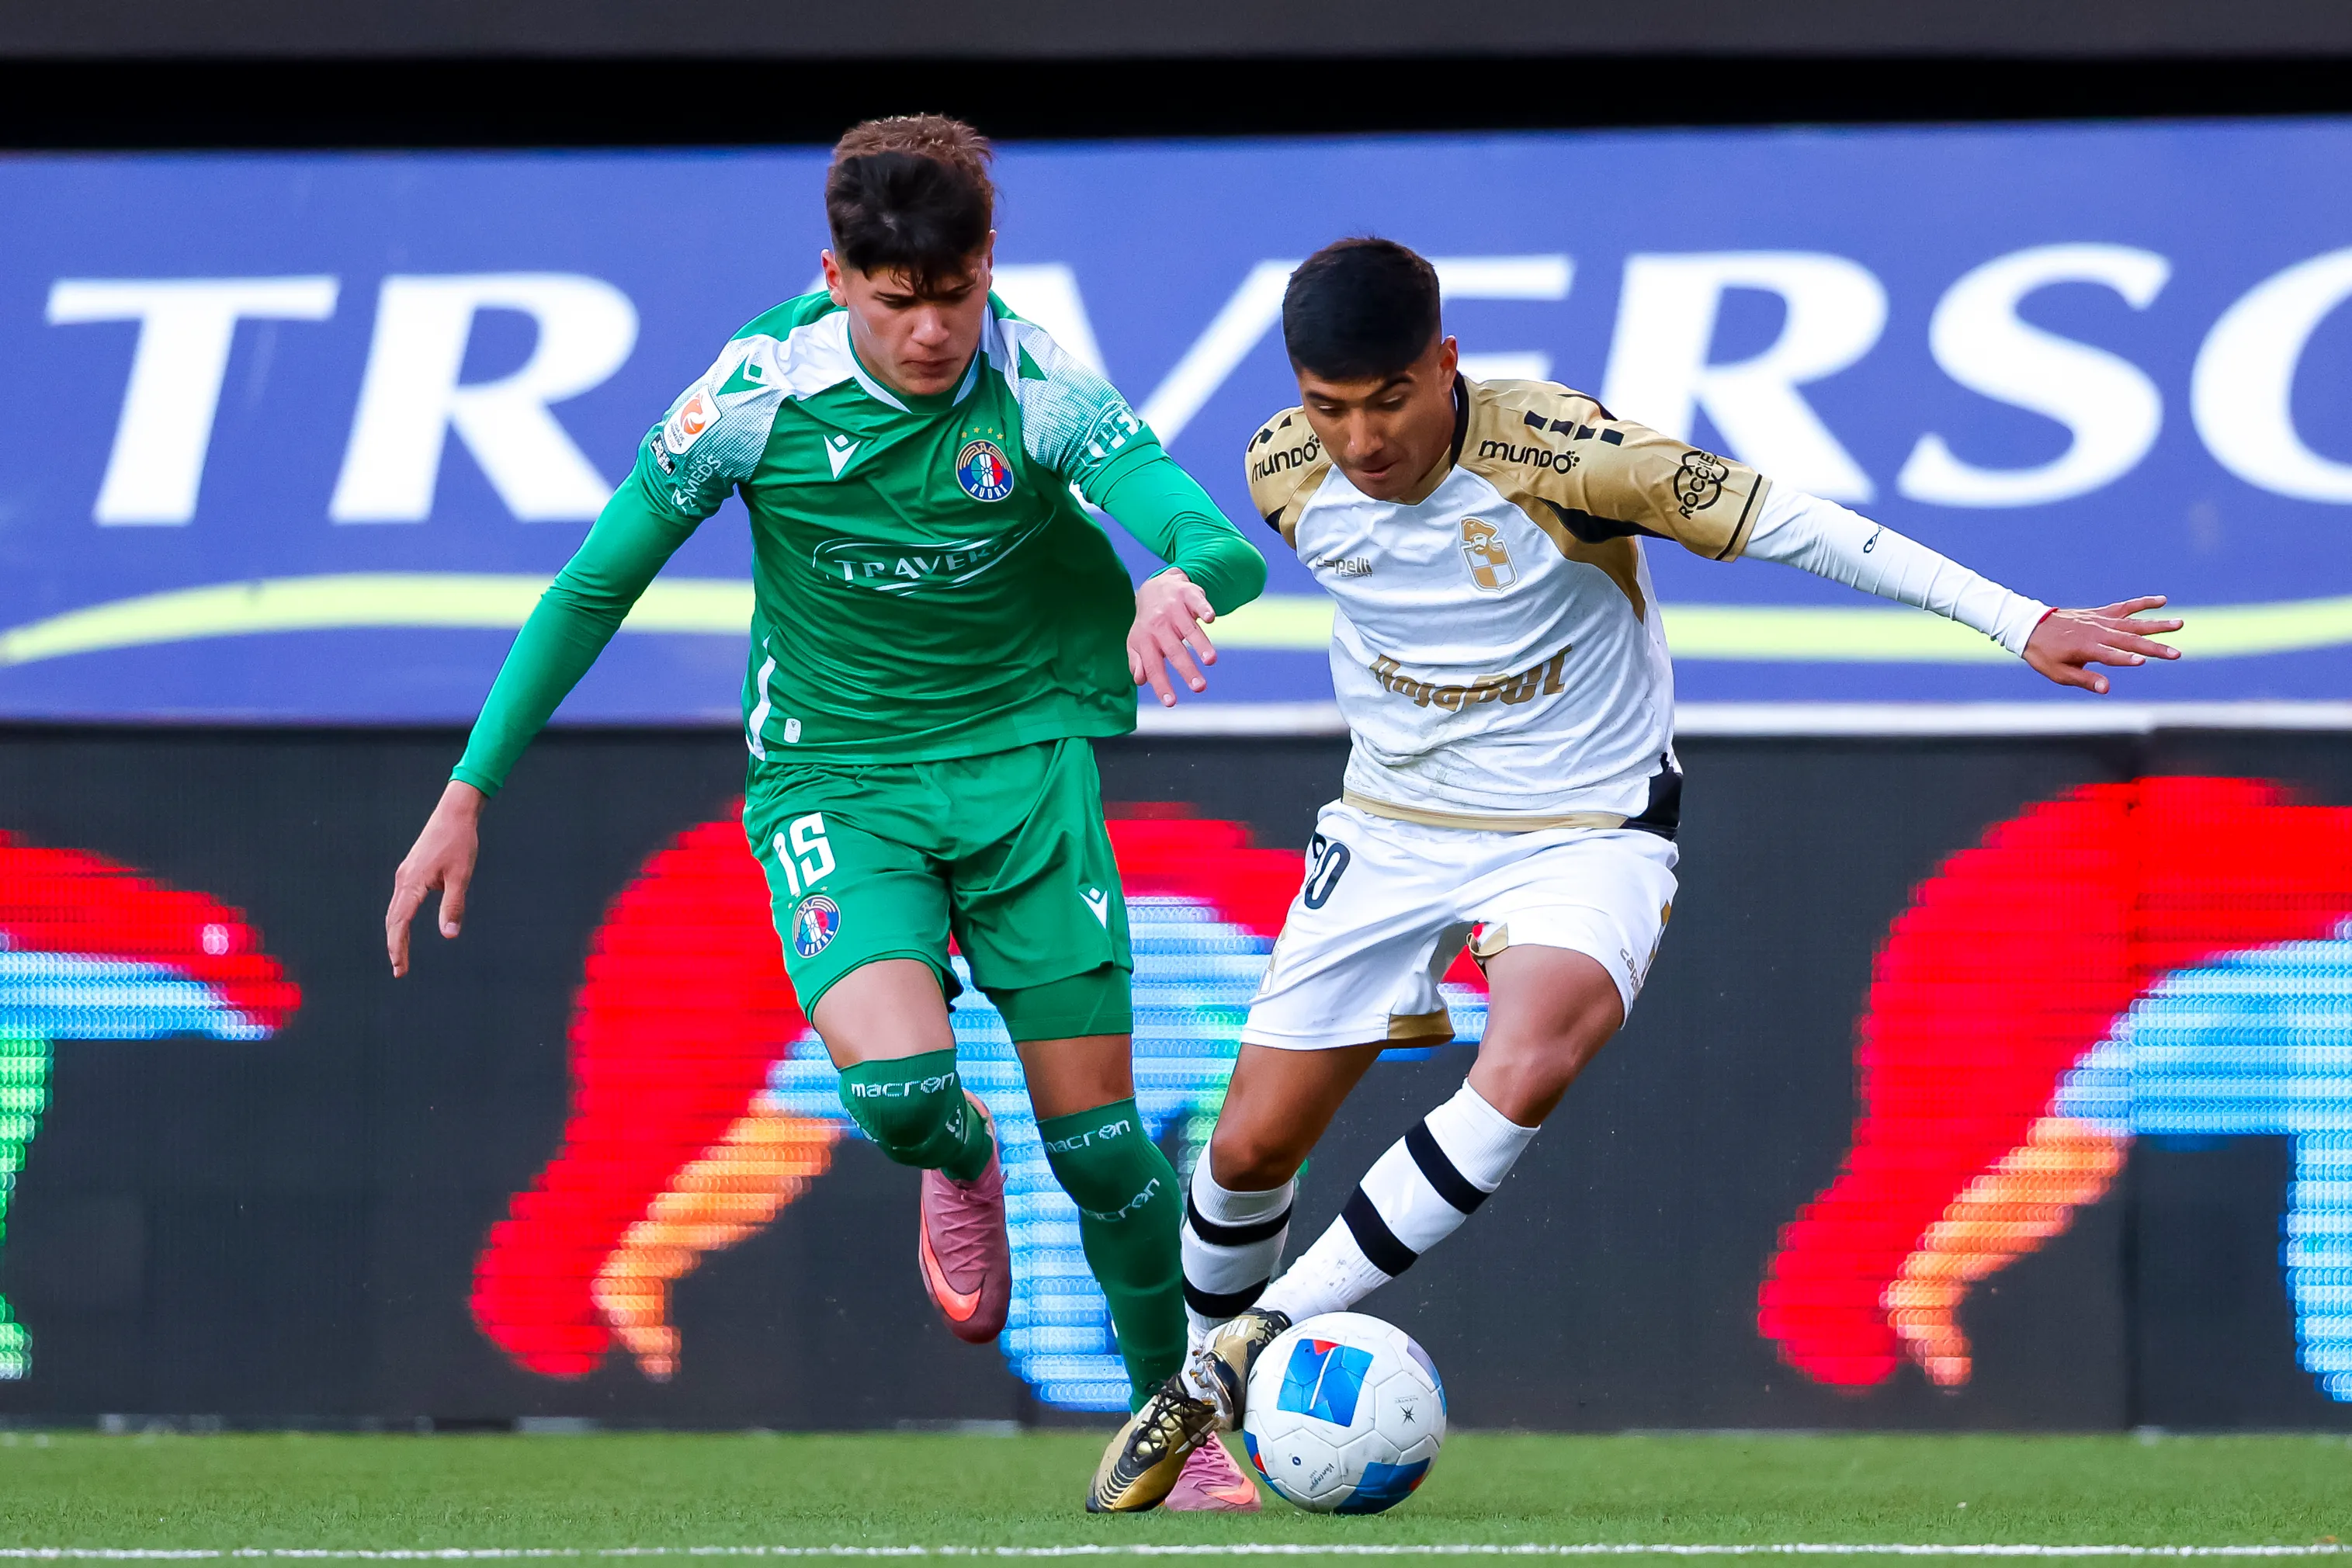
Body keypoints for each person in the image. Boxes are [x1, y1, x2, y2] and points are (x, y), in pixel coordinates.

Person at [1086, 235, 2182, 1511]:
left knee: (1531, 1055)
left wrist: (2019, 621)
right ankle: (1206, 1432)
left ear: (1446, 363)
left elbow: (1797, 525)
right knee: (1245, 1150)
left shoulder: (1571, 456)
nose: (1362, 439)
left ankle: (1241, 1349)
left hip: (1585, 822)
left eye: (1389, 399)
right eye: (1331, 407)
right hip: (1391, 825)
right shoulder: (1282, 470)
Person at [384, 115, 1269, 1511]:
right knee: (903, 1094)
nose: (929, 334)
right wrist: (467, 788)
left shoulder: (1041, 390)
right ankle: (958, 1164)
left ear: (989, 263)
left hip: (1023, 770)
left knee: (1104, 1148)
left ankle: (1177, 1422)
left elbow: (1214, 542)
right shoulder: (750, 397)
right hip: (836, 781)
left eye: (954, 297)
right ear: (837, 276)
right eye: (894, 301)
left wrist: (1180, 584)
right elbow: (591, 586)